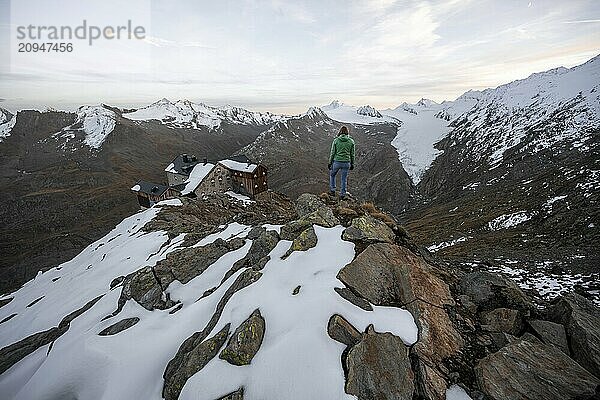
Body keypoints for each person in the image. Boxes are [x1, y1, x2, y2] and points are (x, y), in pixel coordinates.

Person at [328, 125, 355, 199]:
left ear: (340, 132)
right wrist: (352, 164)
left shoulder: (336, 140)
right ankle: (342, 194)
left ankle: (332, 190)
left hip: (337, 162)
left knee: (332, 175)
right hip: (346, 162)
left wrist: (330, 162)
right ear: (347, 132)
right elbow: (352, 154)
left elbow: (332, 152)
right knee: (344, 179)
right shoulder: (351, 141)